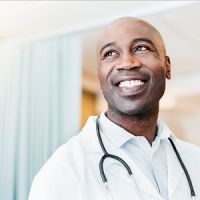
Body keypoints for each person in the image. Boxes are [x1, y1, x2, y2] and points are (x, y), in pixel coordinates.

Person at [28, 17, 200, 200]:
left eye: (141, 48)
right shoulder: (62, 173)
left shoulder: (194, 158)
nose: (126, 62)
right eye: (110, 53)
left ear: (167, 66)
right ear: (99, 76)